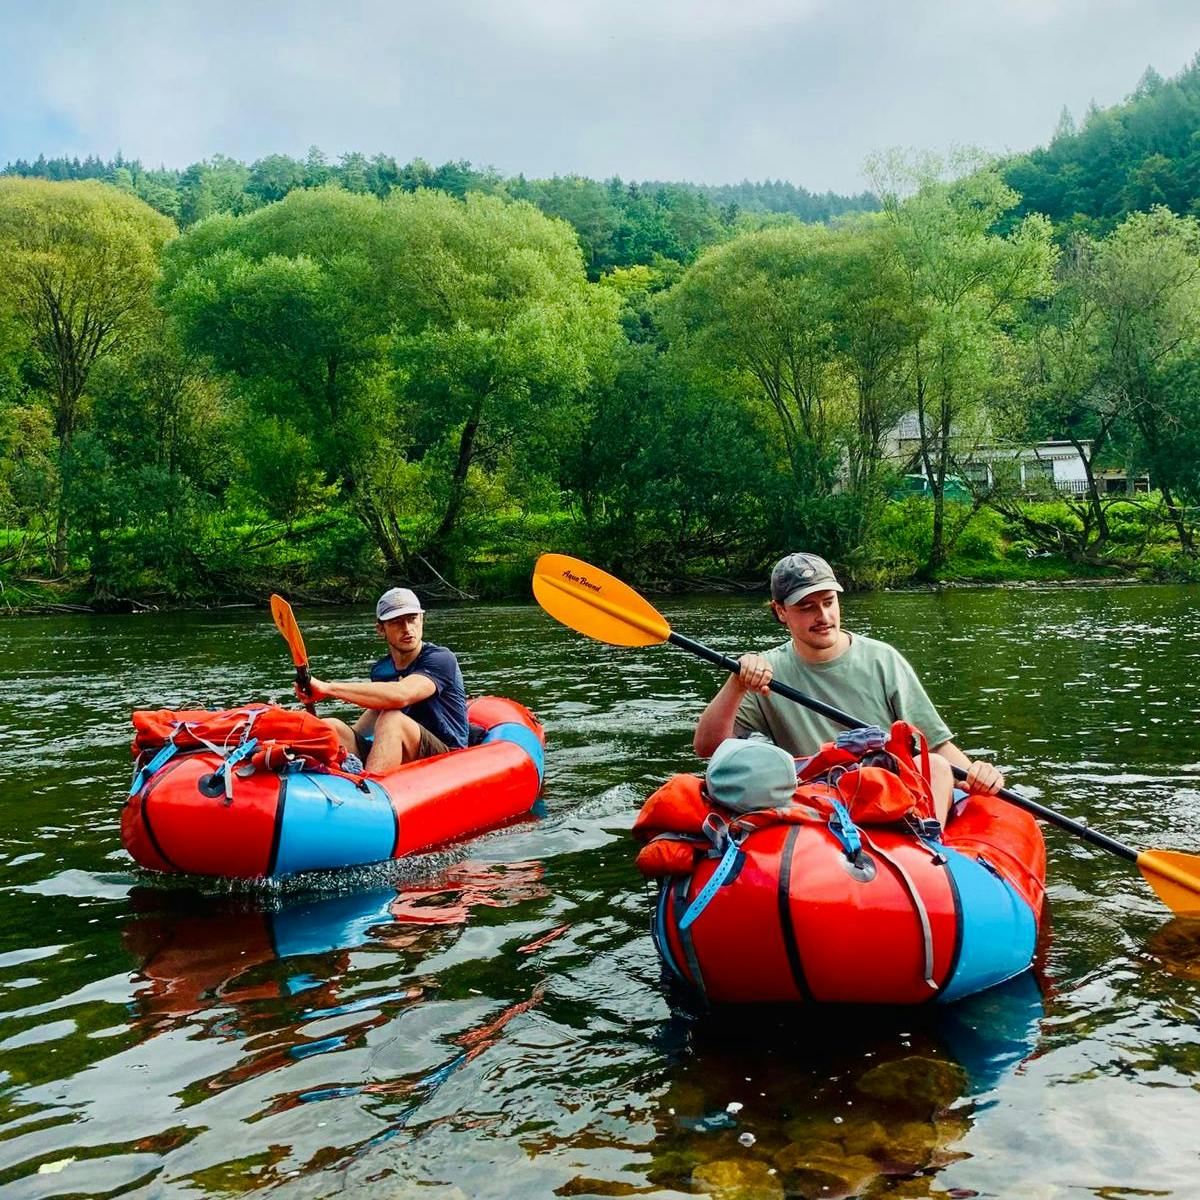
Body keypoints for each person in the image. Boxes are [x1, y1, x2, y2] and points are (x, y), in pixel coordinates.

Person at [693, 552, 1004, 824]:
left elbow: (934, 746)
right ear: (780, 612)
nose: (824, 616)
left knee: (936, 766)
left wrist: (975, 774)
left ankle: (926, 844)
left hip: (892, 794)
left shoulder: (883, 659)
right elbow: (708, 748)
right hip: (818, 800)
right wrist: (735, 685)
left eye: (829, 602)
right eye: (807, 607)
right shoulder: (765, 672)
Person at [298, 587, 469, 772]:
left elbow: (401, 695)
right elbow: (379, 708)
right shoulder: (381, 670)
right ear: (381, 629)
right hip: (405, 745)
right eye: (397, 622)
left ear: (422, 620)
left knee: (392, 719)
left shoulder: (441, 659)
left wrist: (327, 688)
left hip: (446, 754)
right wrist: (325, 729)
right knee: (333, 726)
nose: (407, 629)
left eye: (412, 619)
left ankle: (370, 794)